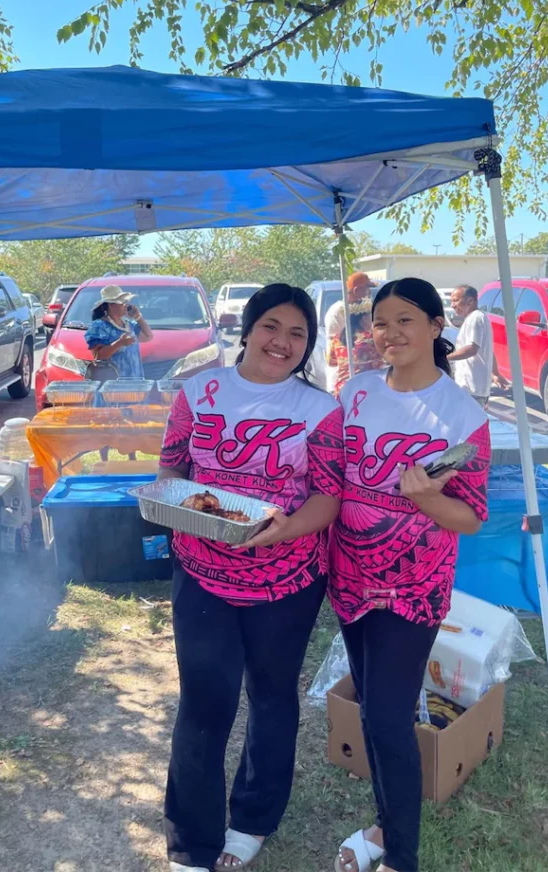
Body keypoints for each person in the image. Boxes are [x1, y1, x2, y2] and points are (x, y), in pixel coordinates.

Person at [159, 284, 344, 872]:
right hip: (202, 573)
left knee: (270, 698)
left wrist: (282, 530)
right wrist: (183, 510)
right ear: (248, 327)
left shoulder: (320, 409)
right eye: (271, 326)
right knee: (203, 704)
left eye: (298, 333)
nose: (282, 342)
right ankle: (192, 842)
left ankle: (253, 819)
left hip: (287, 580)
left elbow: (329, 497)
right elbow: (172, 469)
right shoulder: (199, 391)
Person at [328, 278, 490, 872]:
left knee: (388, 716)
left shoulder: (462, 413)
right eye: (380, 322)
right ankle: (383, 823)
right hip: (347, 575)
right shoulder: (356, 393)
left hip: (412, 586)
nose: (390, 333)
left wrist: (424, 499)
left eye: (405, 320)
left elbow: (470, 518)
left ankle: (401, 854)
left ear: (435, 325)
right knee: (372, 702)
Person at [85, 284, 154, 377]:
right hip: (113, 384)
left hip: (134, 380)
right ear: (111, 305)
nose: (125, 305)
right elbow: (98, 356)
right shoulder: (99, 326)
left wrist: (137, 317)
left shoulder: (128, 324)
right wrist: (119, 343)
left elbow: (148, 336)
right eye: (122, 302)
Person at [449, 284, 497, 408]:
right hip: (474, 389)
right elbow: (489, 351)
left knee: (468, 425)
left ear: (470, 301)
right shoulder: (476, 318)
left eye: (455, 301)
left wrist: (446, 357)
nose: (452, 305)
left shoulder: (475, 318)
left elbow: (472, 349)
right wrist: (495, 373)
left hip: (471, 389)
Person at [327, 305, 382, 397]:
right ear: (364, 319)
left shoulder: (337, 339)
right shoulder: (370, 339)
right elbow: (380, 362)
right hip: (364, 390)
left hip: (341, 390)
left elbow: (331, 362)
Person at [325, 271, 376, 344]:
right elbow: (334, 342)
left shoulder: (365, 310)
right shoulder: (337, 311)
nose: (369, 293)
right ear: (356, 291)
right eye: (367, 289)